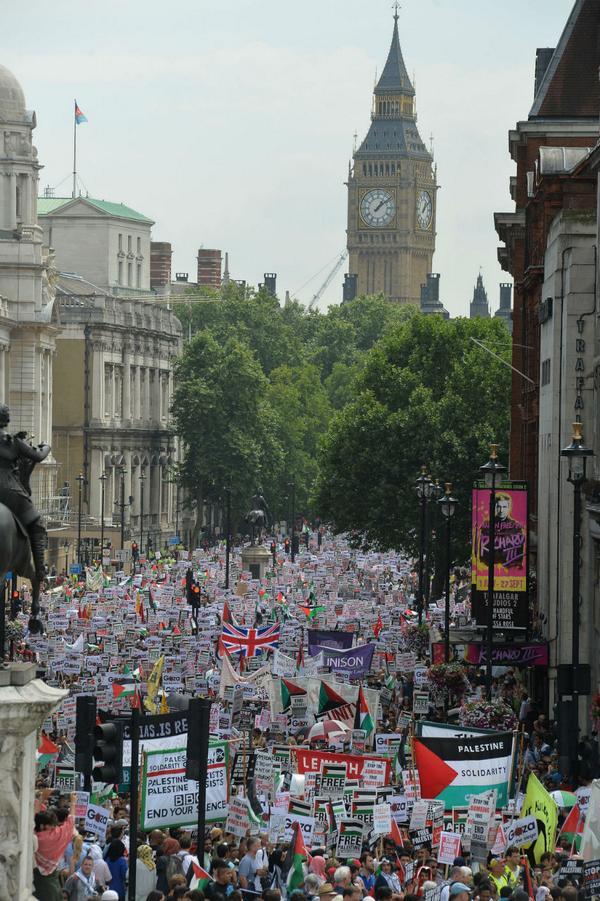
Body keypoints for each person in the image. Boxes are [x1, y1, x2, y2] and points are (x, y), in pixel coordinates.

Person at [0, 405, 51, 579]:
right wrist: (46, 447)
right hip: (9, 491)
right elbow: (37, 456)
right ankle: (40, 570)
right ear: (6, 420)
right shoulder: (13, 441)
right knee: (36, 524)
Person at [34, 796, 77, 901]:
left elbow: (32, 818)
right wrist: (73, 802)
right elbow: (71, 820)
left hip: (34, 879)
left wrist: (40, 799)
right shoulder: (56, 836)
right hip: (50, 883)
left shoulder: (32, 835)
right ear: (43, 825)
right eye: (52, 825)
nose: (54, 827)